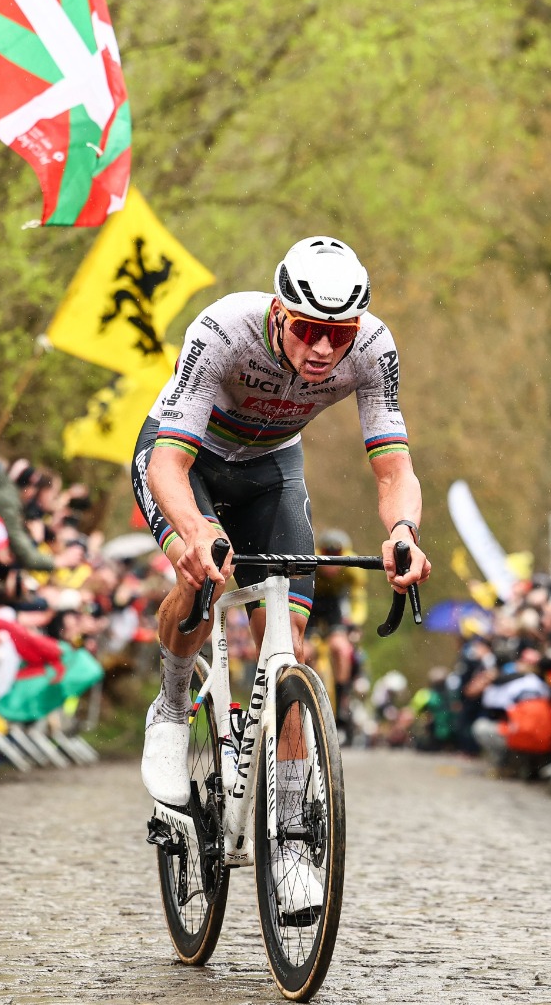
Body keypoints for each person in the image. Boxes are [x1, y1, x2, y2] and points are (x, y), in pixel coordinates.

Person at [130, 236, 431, 917]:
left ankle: (292, 839)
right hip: (188, 460)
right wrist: (195, 532)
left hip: (270, 471)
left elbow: (392, 465)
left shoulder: (374, 348)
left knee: (285, 651)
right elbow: (168, 463)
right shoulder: (224, 330)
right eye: (309, 331)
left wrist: (403, 533)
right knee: (202, 577)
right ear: (278, 312)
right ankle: (174, 706)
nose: (324, 350)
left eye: (338, 334)